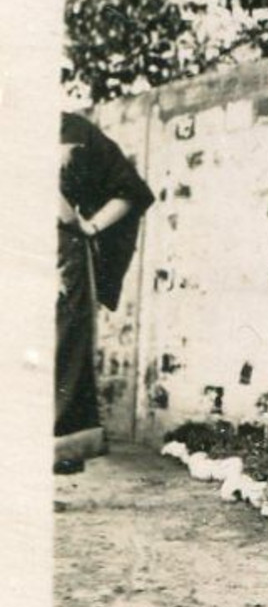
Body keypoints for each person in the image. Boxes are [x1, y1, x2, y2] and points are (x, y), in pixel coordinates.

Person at [56, 111, 155, 473]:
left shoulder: (73, 131)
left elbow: (129, 190)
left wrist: (90, 226)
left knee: (59, 353)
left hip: (59, 260)